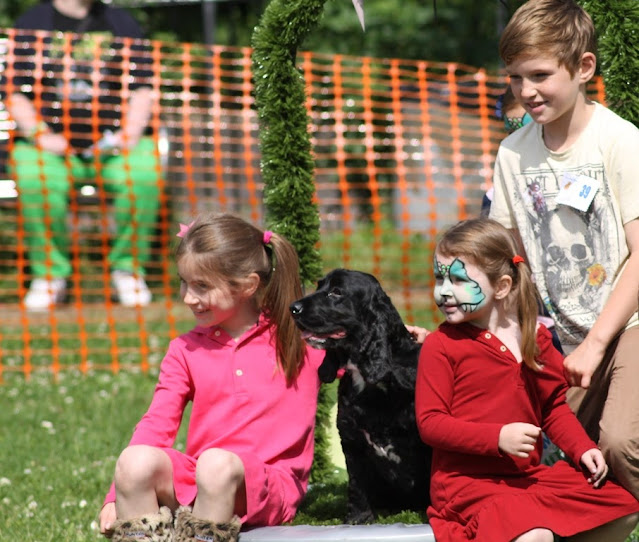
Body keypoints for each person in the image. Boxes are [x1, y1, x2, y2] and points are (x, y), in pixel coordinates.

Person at [489, 0, 639, 499]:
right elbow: (505, 258)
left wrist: (598, 342)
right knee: (554, 457)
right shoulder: (512, 153)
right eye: (514, 78)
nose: (526, 91)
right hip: (561, 337)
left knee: (620, 444)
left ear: (584, 68)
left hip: (628, 324)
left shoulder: (619, 141)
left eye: (540, 74)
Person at [98, 213, 325, 541]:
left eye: (202, 286)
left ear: (247, 285)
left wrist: (415, 340)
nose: (188, 297)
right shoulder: (184, 350)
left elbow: (371, 348)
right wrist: (112, 496)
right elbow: (156, 425)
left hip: (268, 487)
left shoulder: (300, 340)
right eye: (184, 282)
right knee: (135, 462)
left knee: (216, 465)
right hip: (203, 478)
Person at [415, 218, 639, 542]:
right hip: (467, 485)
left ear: (502, 286)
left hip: (527, 478)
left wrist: (582, 449)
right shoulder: (441, 345)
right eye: (439, 278)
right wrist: (497, 438)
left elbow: (553, 409)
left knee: (624, 505)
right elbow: (431, 423)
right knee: (535, 535)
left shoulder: (535, 338)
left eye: (458, 280)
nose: (444, 291)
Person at [4, 0, 160, 310]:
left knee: (144, 174)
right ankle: (50, 275)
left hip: (114, 146)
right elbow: (13, 91)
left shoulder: (122, 22)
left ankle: (128, 269)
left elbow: (143, 86)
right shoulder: (31, 22)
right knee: (37, 179)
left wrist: (129, 132)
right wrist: (40, 134)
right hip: (51, 146)